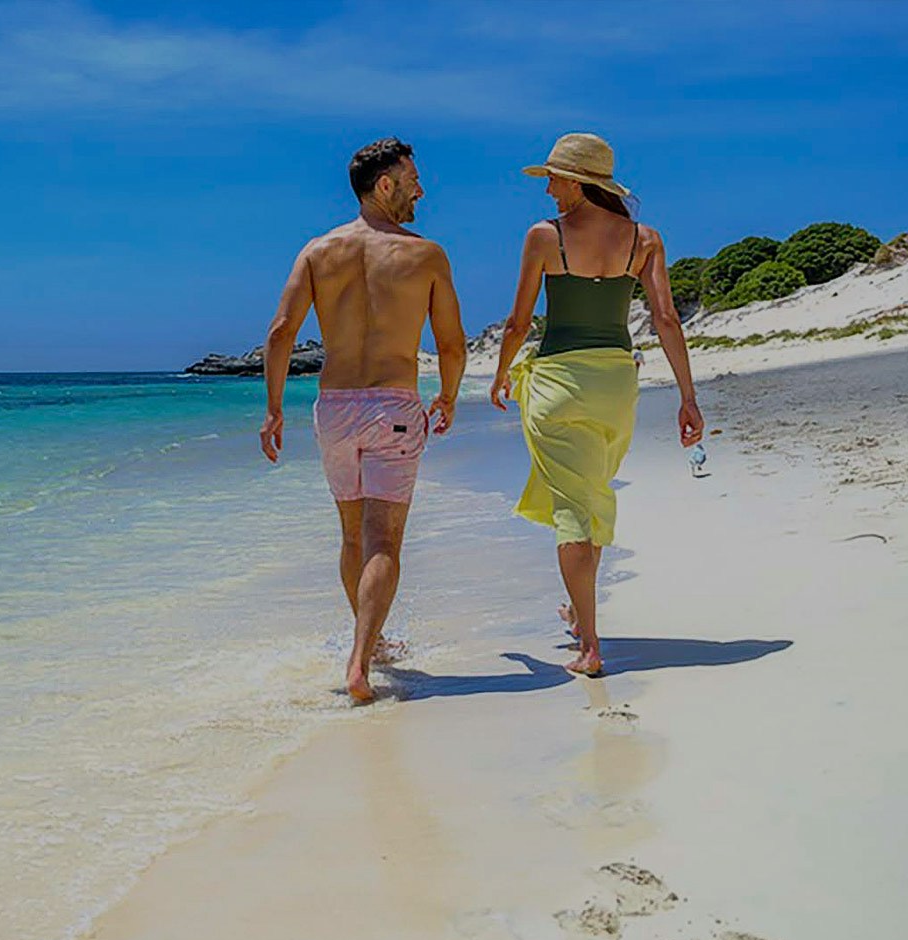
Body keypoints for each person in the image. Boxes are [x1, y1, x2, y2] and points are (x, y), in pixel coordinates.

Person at [260, 138, 467, 704]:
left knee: (352, 534)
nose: (421, 190)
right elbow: (450, 343)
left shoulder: (317, 252)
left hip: (335, 409)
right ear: (385, 185)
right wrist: (447, 396)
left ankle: (368, 644)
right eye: (413, 179)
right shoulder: (425, 255)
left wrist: (274, 408)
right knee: (384, 540)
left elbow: (280, 333)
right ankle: (360, 662)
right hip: (392, 408)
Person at [489, 133, 704, 677]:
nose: (549, 190)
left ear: (580, 182)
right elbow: (666, 320)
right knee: (589, 496)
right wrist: (687, 397)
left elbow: (518, 323)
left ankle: (589, 647)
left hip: (559, 383)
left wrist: (498, 375)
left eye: (554, 179)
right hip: (615, 385)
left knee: (571, 511)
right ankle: (579, 614)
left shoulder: (546, 237)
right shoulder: (644, 238)